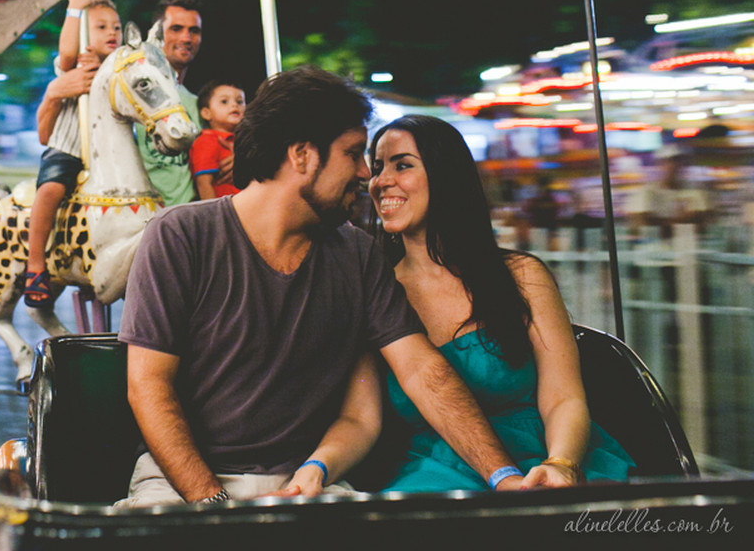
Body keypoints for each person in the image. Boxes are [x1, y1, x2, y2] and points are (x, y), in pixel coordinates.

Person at [117, 67, 531, 506]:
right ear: (302, 156)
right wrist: (213, 506)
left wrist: (503, 477)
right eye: (352, 153)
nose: (365, 172)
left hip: (305, 484)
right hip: (183, 481)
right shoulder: (181, 235)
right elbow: (148, 387)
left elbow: (420, 370)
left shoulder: (357, 253)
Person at [367, 114, 634, 491]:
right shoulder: (377, 292)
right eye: (376, 168)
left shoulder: (521, 276)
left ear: (446, 175)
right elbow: (359, 418)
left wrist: (560, 463)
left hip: (546, 452)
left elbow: (564, 396)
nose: (380, 181)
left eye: (403, 165)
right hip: (434, 470)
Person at [22, 0, 121, 307]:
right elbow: (65, 51)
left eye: (116, 27)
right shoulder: (81, 61)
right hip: (68, 148)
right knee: (50, 190)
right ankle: (35, 263)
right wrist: (75, 9)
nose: (112, 32)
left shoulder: (117, 69)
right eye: (101, 27)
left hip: (103, 156)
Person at [136, 0, 206, 206]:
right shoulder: (134, 91)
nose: (186, 38)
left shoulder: (198, 104)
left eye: (193, 31)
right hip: (138, 214)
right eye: (176, 29)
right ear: (155, 35)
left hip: (185, 215)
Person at [189, 79, 245, 200]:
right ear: (206, 113)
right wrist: (214, 217)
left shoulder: (245, 140)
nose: (234, 105)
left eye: (240, 101)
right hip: (226, 212)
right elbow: (204, 183)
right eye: (224, 102)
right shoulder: (206, 141)